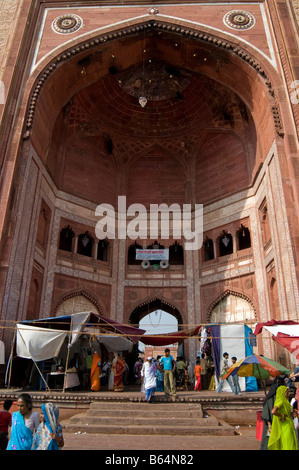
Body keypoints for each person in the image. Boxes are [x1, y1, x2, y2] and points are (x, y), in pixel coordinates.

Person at [268, 385, 298, 450]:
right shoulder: (280, 401)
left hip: (289, 424)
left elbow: (287, 412)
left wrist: (292, 413)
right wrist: (282, 415)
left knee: (290, 443)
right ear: (282, 394)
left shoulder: (286, 402)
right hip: (285, 426)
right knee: (288, 444)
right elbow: (273, 411)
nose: (288, 394)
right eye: (287, 393)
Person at [260, 376, 286, 450]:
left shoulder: (284, 397)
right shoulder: (271, 398)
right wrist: (269, 426)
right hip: (271, 424)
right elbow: (266, 413)